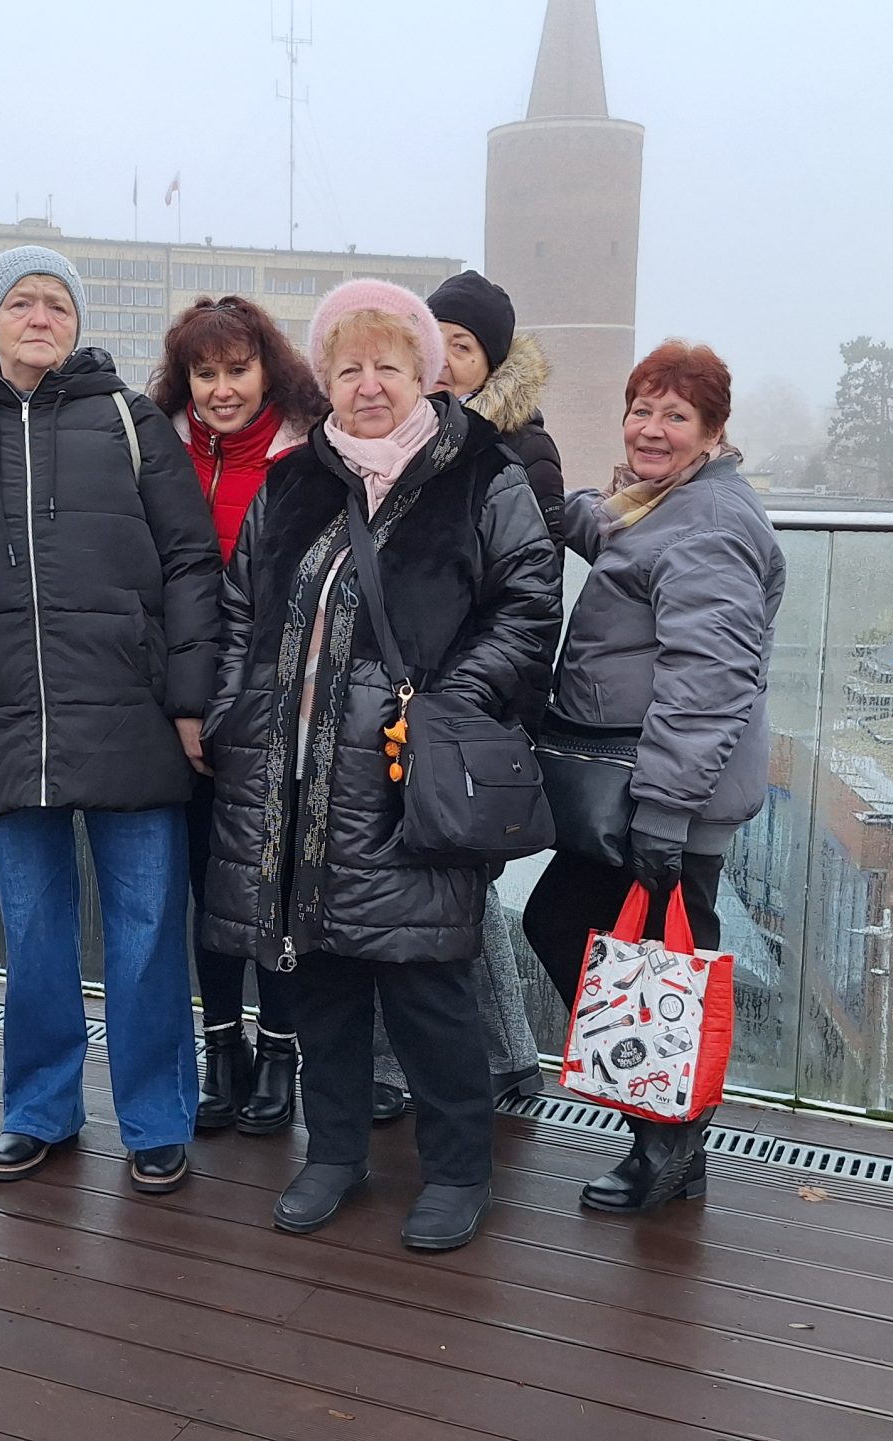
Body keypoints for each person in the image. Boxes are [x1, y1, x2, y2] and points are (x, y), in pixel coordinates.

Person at [202, 280, 561, 1251]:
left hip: (408, 780)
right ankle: (333, 1150)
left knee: (425, 985)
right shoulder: (293, 481)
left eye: (388, 366)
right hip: (291, 781)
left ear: (425, 374)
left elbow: (529, 607)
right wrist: (235, 716)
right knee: (318, 975)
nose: (369, 385)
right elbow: (240, 611)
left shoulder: (480, 476)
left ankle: (458, 1168)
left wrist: (451, 706)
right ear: (325, 379)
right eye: (349, 367)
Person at [0, 246, 223, 1196]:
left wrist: (189, 700)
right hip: (2, 725)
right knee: (34, 935)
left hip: (131, 720)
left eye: (56, 302)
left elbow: (191, 563)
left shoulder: (131, 422)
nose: (40, 316)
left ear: (78, 321)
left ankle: (156, 1118)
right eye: (21, 301)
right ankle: (39, 1110)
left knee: (147, 934)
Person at [520, 339, 782, 1213]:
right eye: (642, 409)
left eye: (677, 415)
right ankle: (667, 1138)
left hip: (667, 796)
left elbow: (709, 679)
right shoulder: (664, 504)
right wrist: (538, 477)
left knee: (647, 964)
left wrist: (664, 813)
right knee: (626, 952)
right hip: (644, 785)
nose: (652, 428)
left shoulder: (711, 524)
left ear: (713, 431)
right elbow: (607, 528)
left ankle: (668, 1143)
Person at [367, 271, 562, 1124]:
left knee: (454, 884)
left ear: (491, 363)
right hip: (400, 702)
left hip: (470, 707)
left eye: (464, 345)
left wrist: (468, 699)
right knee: (414, 876)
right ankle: (488, 1059)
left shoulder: (514, 451)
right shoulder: (398, 439)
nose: (444, 358)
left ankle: (489, 1059)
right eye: (433, 338)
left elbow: (527, 595)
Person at [148, 295, 327, 1137]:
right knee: (205, 881)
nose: (222, 389)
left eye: (238, 370)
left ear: (269, 370)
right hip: (181, 698)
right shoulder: (157, 448)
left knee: (277, 880)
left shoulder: (311, 451)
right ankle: (221, 1045)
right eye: (204, 373)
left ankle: (281, 1049)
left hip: (280, 700)